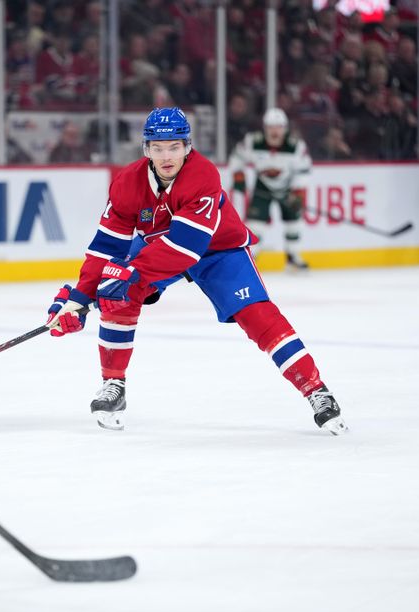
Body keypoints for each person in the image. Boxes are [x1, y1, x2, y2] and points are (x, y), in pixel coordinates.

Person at [44, 107, 347, 436]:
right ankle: (113, 385)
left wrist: (129, 276)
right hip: (160, 248)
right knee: (116, 287)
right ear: (146, 150)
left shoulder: (203, 175)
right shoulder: (127, 183)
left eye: (174, 147)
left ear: (188, 147)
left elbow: (185, 247)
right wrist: (79, 298)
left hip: (219, 250)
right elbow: (105, 248)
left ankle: (317, 391)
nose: (166, 156)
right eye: (157, 148)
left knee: (257, 315)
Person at [228, 107, 313, 270]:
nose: (275, 131)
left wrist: (298, 192)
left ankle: (293, 256)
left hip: (287, 189)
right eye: (271, 127)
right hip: (263, 188)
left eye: (279, 127)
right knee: (255, 225)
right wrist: (239, 177)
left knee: (294, 223)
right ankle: (249, 259)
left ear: (285, 128)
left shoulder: (296, 146)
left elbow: (303, 170)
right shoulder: (253, 141)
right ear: (265, 127)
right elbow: (237, 158)